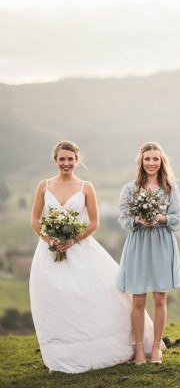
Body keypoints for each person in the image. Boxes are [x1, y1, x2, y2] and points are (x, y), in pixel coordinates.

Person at [29, 140, 156, 373]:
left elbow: (94, 223)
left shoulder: (86, 186)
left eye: (70, 159)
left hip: (80, 250)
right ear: (55, 160)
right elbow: (36, 221)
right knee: (55, 301)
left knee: (94, 296)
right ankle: (59, 355)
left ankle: (103, 349)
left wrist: (72, 240)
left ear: (77, 160)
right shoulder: (43, 186)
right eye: (62, 159)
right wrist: (51, 240)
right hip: (50, 253)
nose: (66, 163)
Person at [117, 142, 180, 365]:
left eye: (155, 159)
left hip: (161, 242)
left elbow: (177, 219)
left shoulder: (170, 188)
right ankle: (139, 350)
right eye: (147, 159)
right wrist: (138, 219)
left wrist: (159, 218)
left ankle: (156, 348)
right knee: (138, 299)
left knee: (159, 297)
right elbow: (123, 219)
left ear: (161, 162)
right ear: (141, 162)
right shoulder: (130, 189)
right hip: (139, 243)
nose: (151, 163)